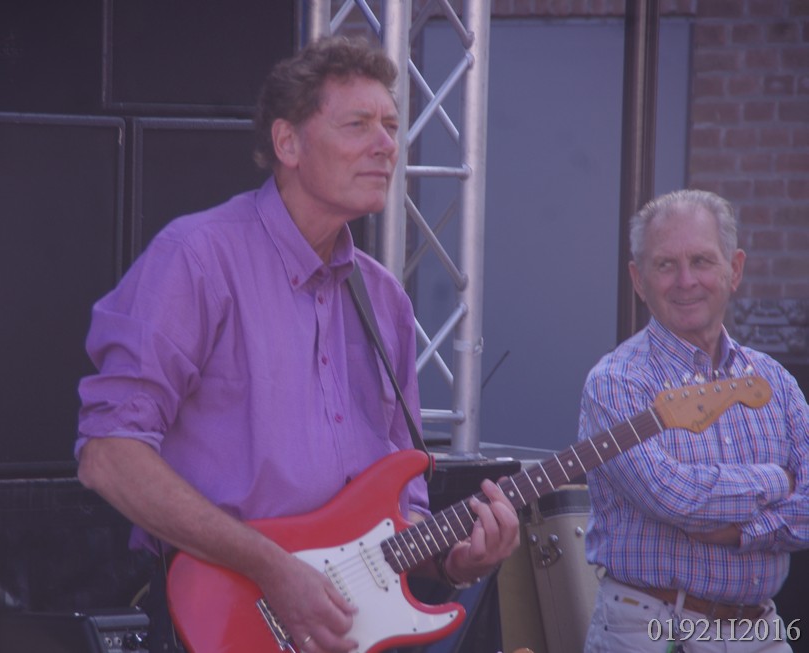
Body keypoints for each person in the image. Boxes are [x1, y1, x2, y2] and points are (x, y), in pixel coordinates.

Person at [75, 36, 519, 653]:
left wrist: (453, 560)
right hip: (219, 618)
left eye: (392, 126)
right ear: (288, 144)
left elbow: (402, 510)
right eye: (358, 124)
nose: (387, 144)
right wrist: (272, 567)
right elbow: (108, 455)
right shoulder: (197, 258)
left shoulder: (384, 299)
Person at [579, 189, 809, 652]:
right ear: (638, 280)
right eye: (666, 264)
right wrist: (777, 481)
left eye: (702, 261)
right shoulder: (616, 382)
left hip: (760, 630)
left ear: (734, 270)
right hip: (651, 628)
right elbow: (674, 497)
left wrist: (745, 533)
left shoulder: (776, 382)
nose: (686, 281)